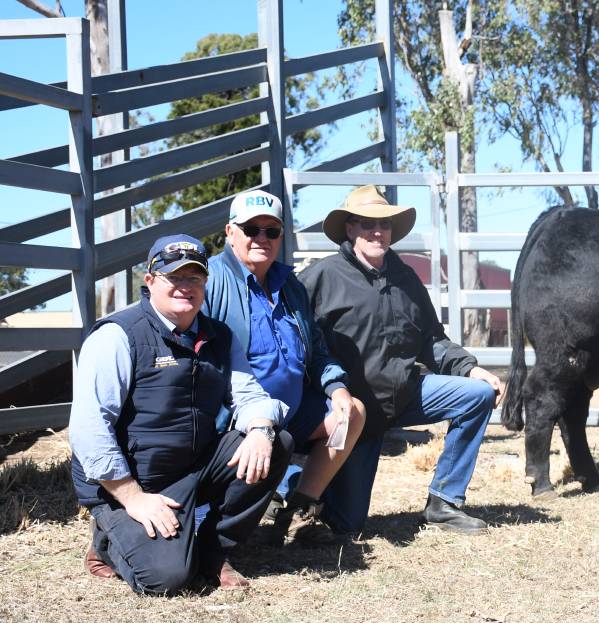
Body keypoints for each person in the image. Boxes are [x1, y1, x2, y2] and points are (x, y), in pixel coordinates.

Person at [69, 235, 292, 594]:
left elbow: (250, 395)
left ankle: (213, 551)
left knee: (276, 442)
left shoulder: (218, 335)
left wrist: (260, 430)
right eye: (174, 277)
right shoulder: (118, 335)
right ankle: (108, 542)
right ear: (151, 280)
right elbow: (88, 427)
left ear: (205, 282)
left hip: (192, 466)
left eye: (194, 278)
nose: (185, 287)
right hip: (132, 480)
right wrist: (133, 497)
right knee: (167, 579)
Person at [299, 185, 504, 535]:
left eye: (385, 225)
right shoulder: (321, 277)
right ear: (350, 230)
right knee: (346, 525)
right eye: (367, 224)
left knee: (477, 395)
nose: (377, 232)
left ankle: (444, 501)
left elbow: (431, 340)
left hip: (407, 392)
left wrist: (471, 367)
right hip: (356, 412)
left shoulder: (406, 278)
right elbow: (298, 344)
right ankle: (298, 490)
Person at [204, 190, 365, 545]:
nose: (261, 238)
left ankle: (297, 508)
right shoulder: (210, 281)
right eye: (251, 229)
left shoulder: (291, 285)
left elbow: (317, 350)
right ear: (230, 232)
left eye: (271, 231)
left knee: (352, 412)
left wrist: (337, 388)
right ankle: (231, 520)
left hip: (292, 409)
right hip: (237, 413)